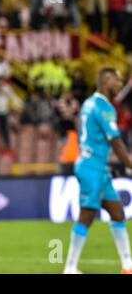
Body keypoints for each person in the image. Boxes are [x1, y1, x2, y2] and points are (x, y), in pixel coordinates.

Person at [63, 68, 132, 274]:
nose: (118, 83)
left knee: (117, 212)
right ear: (106, 81)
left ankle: (128, 266)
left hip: (97, 167)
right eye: (116, 80)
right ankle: (70, 268)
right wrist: (130, 164)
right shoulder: (104, 107)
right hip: (92, 167)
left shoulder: (89, 102)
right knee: (87, 214)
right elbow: (116, 141)